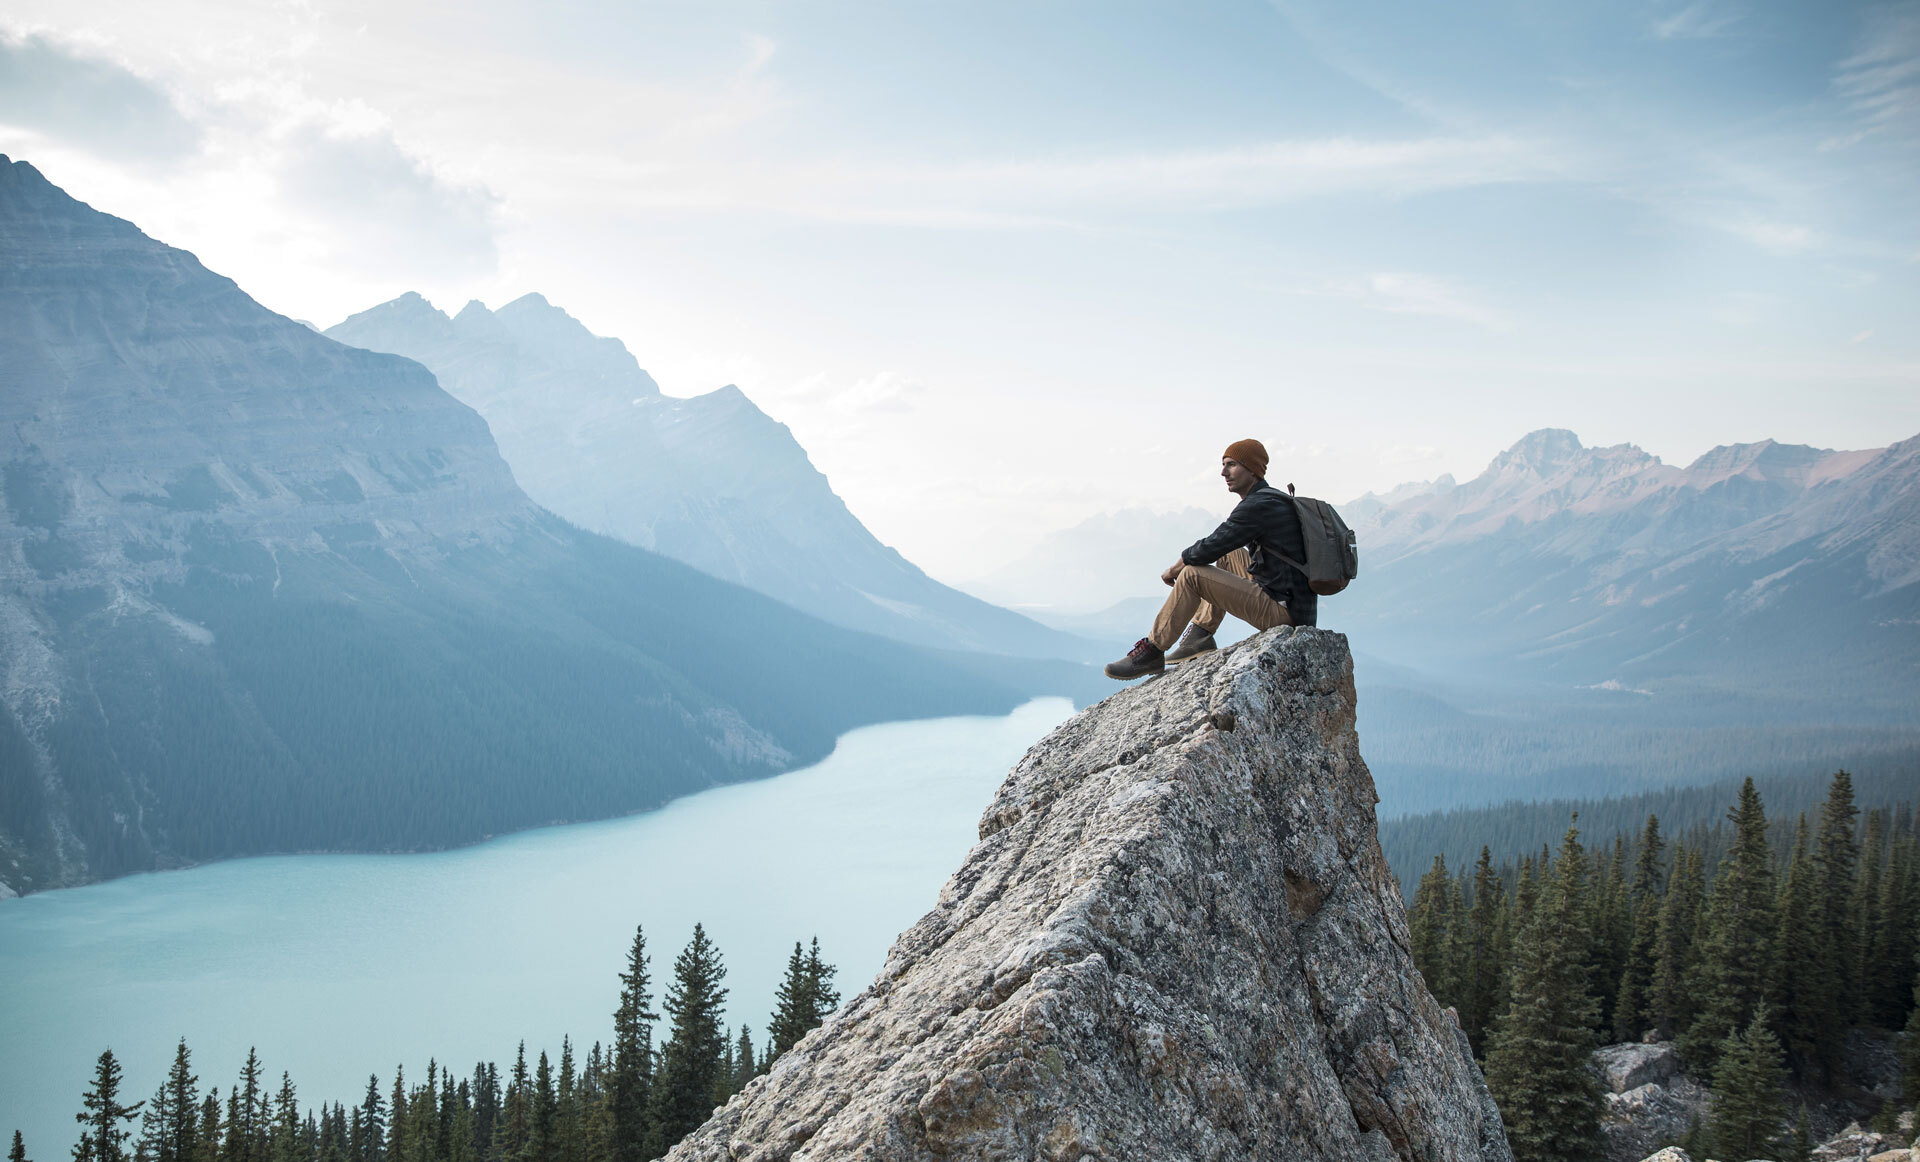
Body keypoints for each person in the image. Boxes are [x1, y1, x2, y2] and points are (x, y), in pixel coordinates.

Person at [1104, 438, 1317, 680]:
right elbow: (1222, 545)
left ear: (1253, 469)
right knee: (1228, 555)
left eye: (1232, 465)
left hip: (1284, 613)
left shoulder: (1259, 505)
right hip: (1287, 599)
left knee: (1193, 574)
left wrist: (1176, 567)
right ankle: (1200, 636)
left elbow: (1213, 544)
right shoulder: (1272, 499)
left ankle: (1152, 651)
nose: (1223, 472)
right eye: (1223, 464)